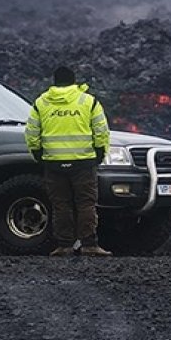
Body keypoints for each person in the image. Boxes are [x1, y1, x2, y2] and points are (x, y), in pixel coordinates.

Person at [24, 66, 113, 257]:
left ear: (54, 82)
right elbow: (101, 131)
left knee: (61, 205)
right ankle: (89, 244)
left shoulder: (42, 103)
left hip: (54, 162)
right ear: (74, 82)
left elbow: (31, 133)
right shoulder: (88, 101)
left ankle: (64, 245)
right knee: (86, 203)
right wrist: (99, 154)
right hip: (83, 162)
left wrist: (38, 154)